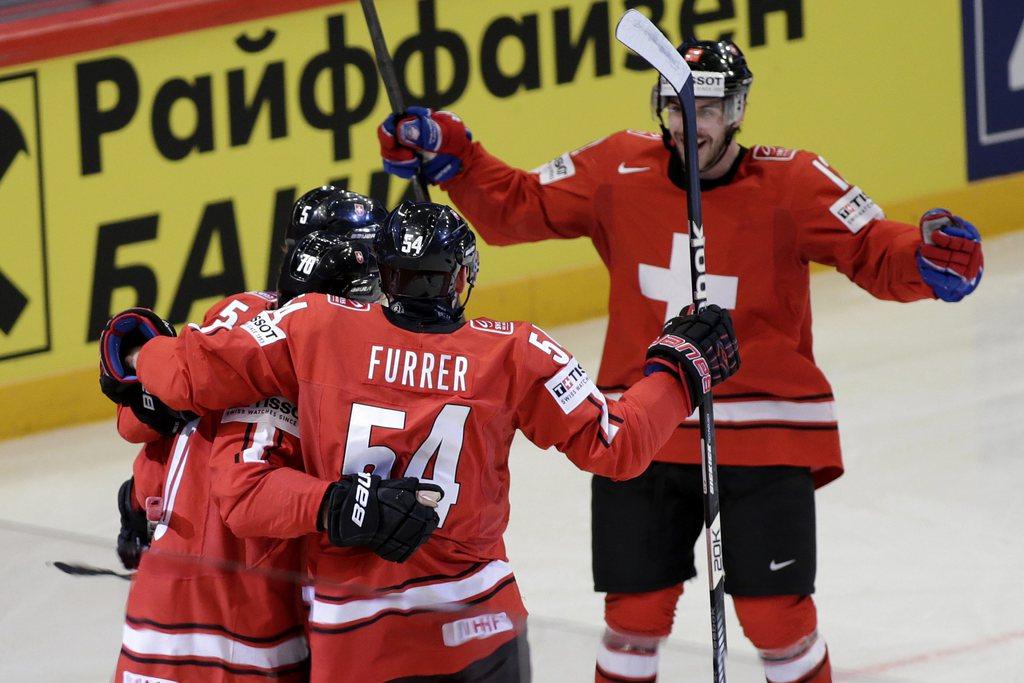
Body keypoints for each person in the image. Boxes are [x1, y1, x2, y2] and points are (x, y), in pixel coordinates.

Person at [375, 40, 984, 683]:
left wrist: (923, 261)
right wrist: (457, 158)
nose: (691, 121)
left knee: (776, 619)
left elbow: (873, 248)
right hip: (643, 428)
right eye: (676, 103)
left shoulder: (794, 181)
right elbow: (518, 206)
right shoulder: (616, 167)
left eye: (711, 107)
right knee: (632, 616)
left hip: (762, 431)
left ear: (739, 108)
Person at [99, 200, 740, 682]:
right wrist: (680, 371)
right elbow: (616, 445)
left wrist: (135, 355)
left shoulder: (305, 327)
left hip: (349, 631)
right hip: (478, 616)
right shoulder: (514, 349)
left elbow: (182, 391)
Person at [104, 188, 442, 681]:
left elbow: (141, 420)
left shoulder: (236, 314)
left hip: (163, 601)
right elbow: (245, 487)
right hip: (247, 620)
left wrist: (138, 499)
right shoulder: (324, 349)